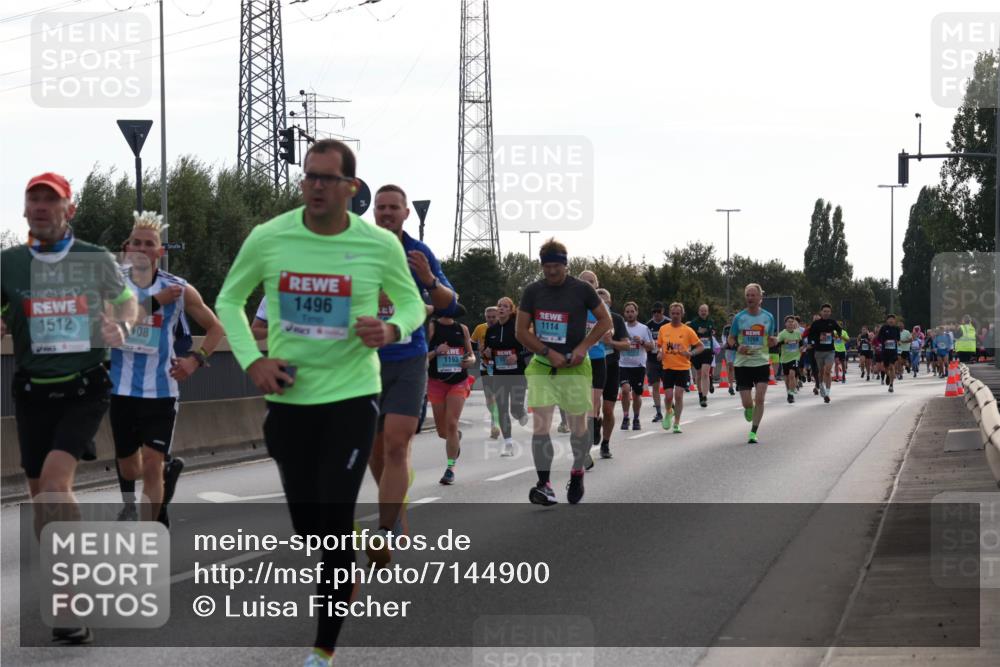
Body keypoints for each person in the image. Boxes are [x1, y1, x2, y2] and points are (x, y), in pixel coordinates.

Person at [214, 140, 426, 666]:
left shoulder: (378, 245)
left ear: (350, 188)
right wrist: (252, 360)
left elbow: (411, 304)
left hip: (353, 397)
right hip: (289, 399)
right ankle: (344, 537)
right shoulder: (270, 237)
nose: (314, 185)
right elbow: (229, 301)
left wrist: (392, 326)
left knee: (330, 527)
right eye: (309, 176)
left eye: (327, 178)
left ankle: (322, 651)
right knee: (312, 530)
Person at [2, 172, 139, 645]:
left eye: (51, 200)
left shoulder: (95, 259)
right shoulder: (10, 265)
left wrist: (118, 328)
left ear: (69, 210)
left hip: (84, 388)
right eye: (33, 199)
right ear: (24, 211)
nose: (40, 207)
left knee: (58, 486)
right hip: (33, 391)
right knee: (42, 499)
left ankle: (73, 600)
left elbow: (128, 308)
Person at [110, 211, 224, 527]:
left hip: (161, 390)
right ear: (128, 248)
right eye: (137, 243)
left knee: (150, 463)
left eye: (150, 244)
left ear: (160, 252)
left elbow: (215, 328)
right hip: (120, 389)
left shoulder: (179, 289)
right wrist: (155, 302)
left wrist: (195, 360)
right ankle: (166, 475)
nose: (143, 249)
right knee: (130, 469)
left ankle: (151, 532)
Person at [369, 183, 457, 563]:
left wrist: (429, 281)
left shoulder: (420, 254)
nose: (386, 213)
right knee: (376, 454)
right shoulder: (357, 248)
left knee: (396, 443)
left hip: (409, 359)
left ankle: (384, 530)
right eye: (380, 207)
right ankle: (396, 506)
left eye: (393, 207)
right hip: (365, 363)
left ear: (406, 213)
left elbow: (448, 301)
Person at [516, 238, 610, 506]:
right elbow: (521, 331)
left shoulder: (581, 290)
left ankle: (577, 472)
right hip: (543, 366)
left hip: (575, 367)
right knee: (541, 426)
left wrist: (583, 346)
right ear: (541, 266)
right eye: (547, 268)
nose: (552, 273)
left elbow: (605, 321)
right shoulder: (533, 291)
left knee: (578, 427)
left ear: (566, 265)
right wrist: (548, 353)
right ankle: (544, 484)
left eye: (557, 267)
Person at [427, 307, 476, 484]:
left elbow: (471, 355)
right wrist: (436, 351)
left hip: (458, 381)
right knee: (443, 432)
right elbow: (420, 357)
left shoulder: (462, 328)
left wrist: (470, 361)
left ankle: (450, 468)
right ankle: (455, 438)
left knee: (452, 423)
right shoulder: (431, 326)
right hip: (436, 382)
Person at [728, 284, 777, 443]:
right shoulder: (739, 318)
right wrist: (737, 347)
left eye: (753, 295)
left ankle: (753, 432)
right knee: (747, 402)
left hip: (761, 362)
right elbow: (731, 338)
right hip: (742, 364)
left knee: (760, 399)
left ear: (760, 298)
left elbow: (771, 339)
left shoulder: (768, 317)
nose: (750, 298)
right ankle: (749, 408)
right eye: (747, 295)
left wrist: (773, 341)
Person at [483, 296, 528, 457]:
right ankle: (508, 443)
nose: (501, 308)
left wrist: (517, 356)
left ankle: (521, 412)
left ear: (511, 310)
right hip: (500, 375)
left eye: (505, 306)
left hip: (517, 374)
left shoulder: (517, 329)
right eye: (499, 305)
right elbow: (488, 353)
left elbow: (528, 349)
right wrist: (487, 353)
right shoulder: (491, 330)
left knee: (514, 409)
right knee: (501, 409)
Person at [656, 302, 705, 434]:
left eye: (678, 313)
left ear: (682, 314)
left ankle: (677, 423)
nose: (675, 316)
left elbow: (701, 346)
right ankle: (668, 411)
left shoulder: (687, 330)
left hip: (682, 367)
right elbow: (659, 345)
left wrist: (691, 353)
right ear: (669, 314)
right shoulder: (663, 329)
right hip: (667, 367)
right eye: (673, 313)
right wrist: (660, 352)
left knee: (678, 395)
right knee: (668, 397)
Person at [596, 289, 630, 450]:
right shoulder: (585, 317)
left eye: (604, 302)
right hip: (592, 367)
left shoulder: (616, 319)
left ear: (609, 303)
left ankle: (605, 443)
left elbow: (627, 345)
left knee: (608, 410)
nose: (601, 304)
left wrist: (611, 343)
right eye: (597, 301)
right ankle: (594, 425)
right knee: (592, 408)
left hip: (611, 367)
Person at [619, 301, 655, 429]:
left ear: (636, 312)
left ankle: (636, 418)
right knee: (625, 390)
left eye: (632, 311)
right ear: (624, 313)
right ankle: (625, 417)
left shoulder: (643, 328)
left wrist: (642, 341)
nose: (629, 314)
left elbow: (652, 347)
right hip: (623, 365)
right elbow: (614, 344)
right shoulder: (621, 327)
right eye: (627, 312)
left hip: (639, 366)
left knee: (636, 394)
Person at [471, 306, 500, 438]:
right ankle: (495, 418)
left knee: (499, 396)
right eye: (488, 317)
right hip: (485, 365)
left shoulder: (503, 328)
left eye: (494, 317)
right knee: (489, 397)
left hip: (501, 366)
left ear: (498, 316)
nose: (491, 320)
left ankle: (495, 423)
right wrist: (478, 348)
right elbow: (471, 344)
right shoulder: (480, 328)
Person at [806, 304, 843, 404]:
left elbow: (839, 329)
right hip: (818, 351)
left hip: (830, 351)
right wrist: (815, 340)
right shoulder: (816, 324)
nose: (826, 313)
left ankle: (827, 393)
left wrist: (838, 336)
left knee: (828, 370)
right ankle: (820, 385)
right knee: (821, 372)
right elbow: (810, 336)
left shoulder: (832, 322)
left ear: (830, 312)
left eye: (828, 311)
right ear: (821, 312)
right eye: (824, 311)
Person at [686, 304, 716, 408]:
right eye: (701, 311)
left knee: (705, 373)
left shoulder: (711, 322)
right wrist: (698, 332)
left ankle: (704, 397)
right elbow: (690, 335)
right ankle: (700, 394)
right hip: (697, 351)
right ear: (698, 312)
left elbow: (712, 332)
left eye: (705, 311)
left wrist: (708, 331)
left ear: (708, 312)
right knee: (698, 375)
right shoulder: (694, 323)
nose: (703, 312)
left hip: (707, 351)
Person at [645, 302, 669, 419]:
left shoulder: (668, 323)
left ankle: (670, 407)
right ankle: (659, 412)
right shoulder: (648, 325)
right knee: (655, 386)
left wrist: (662, 351)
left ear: (662, 311)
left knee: (668, 386)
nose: (656, 314)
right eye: (653, 312)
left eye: (658, 312)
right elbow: (646, 341)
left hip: (666, 359)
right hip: (652, 359)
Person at [775, 315, 803, 403]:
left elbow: (801, 343)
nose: (791, 323)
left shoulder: (798, 333)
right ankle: (789, 393)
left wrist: (802, 348)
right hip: (785, 358)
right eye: (789, 322)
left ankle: (791, 394)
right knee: (786, 378)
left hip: (795, 357)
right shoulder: (782, 334)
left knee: (792, 374)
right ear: (785, 324)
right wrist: (784, 342)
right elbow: (776, 344)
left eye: (792, 322)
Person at [876, 314, 902, 393]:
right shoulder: (884, 328)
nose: (891, 320)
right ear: (887, 321)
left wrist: (898, 342)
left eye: (892, 319)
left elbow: (898, 338)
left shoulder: (897, 329)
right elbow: (879, 338)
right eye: (889, 319)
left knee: (892, 366)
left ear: (894, 321)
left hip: (893, 351)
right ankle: (887, 375)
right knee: (886, 368)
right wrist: (884, 341)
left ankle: (891, 385)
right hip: (885, 351)